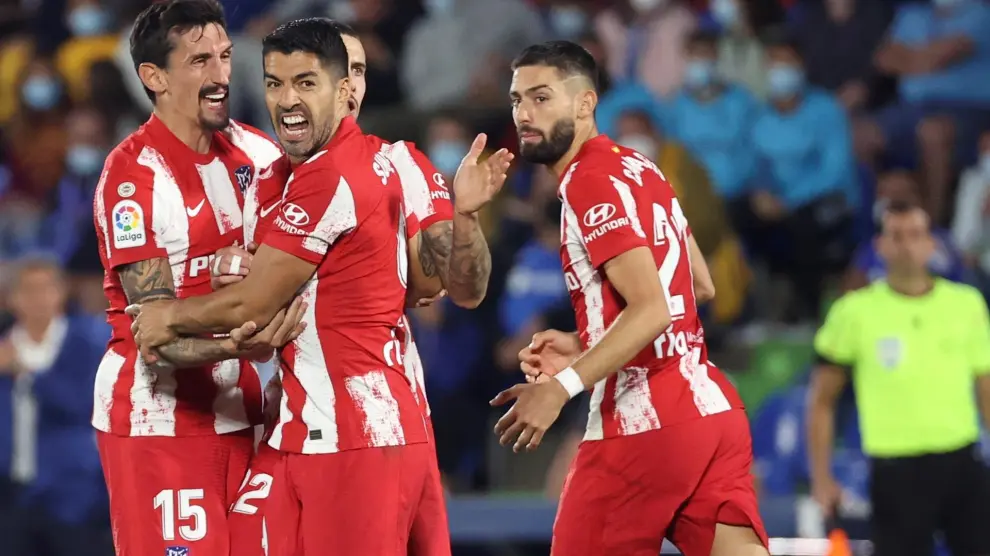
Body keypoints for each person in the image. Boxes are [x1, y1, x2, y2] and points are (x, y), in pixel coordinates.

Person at [129, 18, 508, 555]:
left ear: (346, 88)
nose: (288, 98)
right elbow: (262, 296)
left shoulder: (379, 167)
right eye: (275, 83)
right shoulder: (270, 179)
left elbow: (443, 287)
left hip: (360, 424)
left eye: (308, 82)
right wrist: (235, 273)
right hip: (296, 423)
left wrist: (169, 315)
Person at [492, 40, 768, 556]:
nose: (524, 113)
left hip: (646, 416)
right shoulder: (641, 167)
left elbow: (653, 308)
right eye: (516, 100)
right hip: (710, 408)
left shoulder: (588, 182)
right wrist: (587, 340)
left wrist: (560, 389)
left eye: (541, 97)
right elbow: (696, 286)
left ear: (585, 103)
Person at [90, 1, 304, 555]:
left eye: (225, 56)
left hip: (250, 413)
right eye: (199, 61)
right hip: (160, 420)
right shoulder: (134, 180)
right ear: (154, 77)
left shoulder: (260, 154)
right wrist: (237, 343)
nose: (221, 75)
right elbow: (155, 339)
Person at [808, 201, 990, 556]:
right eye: (897, 235)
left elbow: (986, 387)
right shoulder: (854, 312)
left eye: (916, 234)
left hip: (962, 462)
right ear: (880, 245)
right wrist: (821, 477)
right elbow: (821, 401)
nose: (907, 245)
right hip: (896, 469)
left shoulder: (966, 305)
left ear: (931, 243)